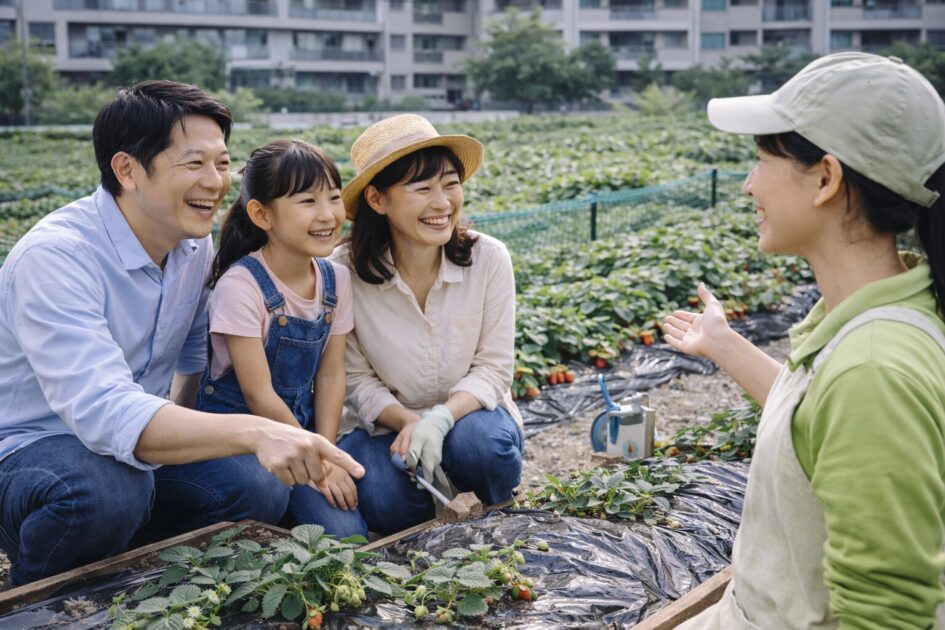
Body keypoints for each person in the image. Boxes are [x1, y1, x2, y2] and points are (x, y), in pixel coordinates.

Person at [0, 81, 363, 587]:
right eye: (194, 164)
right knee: (108, 491)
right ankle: (33, 600)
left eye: (222, 163)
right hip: (36, 451)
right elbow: (104, 411)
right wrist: (258, 431)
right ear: (127, 170)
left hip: (135, 453)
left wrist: (240, 443)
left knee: (257, 485)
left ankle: (132, 565)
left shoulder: (192, 248)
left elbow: (193, 363)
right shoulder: (57, 257)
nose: (215, 182)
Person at [662, 53, 945, 628]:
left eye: (762, 159)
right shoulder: (868, 320)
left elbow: (886, 617)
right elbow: (818, 422)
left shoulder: (874, 370)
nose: (749, 184)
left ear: (825, 179)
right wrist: (724, 344)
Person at [329, 114, 525, 535]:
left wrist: (440, 418)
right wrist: (407, 421)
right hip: (385, 425)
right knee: (384, 500)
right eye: (422, 189)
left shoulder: (488, 259)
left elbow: (493, 367)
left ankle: (497, 518)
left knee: (483, 448)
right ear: (378, 200)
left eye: (450, 184)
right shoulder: (343, 272)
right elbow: (354, 378)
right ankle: (424, 524)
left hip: (469, 416)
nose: (442, 203)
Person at [194, 139, 366, 538]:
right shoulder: (241, 285)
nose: (327, 214)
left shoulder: (335, 278)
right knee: (263, 489)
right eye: (307, 201)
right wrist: (318, 460)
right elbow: (258, 395)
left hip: (300, 434)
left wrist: (325, 453)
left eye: (334, 197)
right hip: (235, 441)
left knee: (345, 534)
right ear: (261, 214)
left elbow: (331, 375)